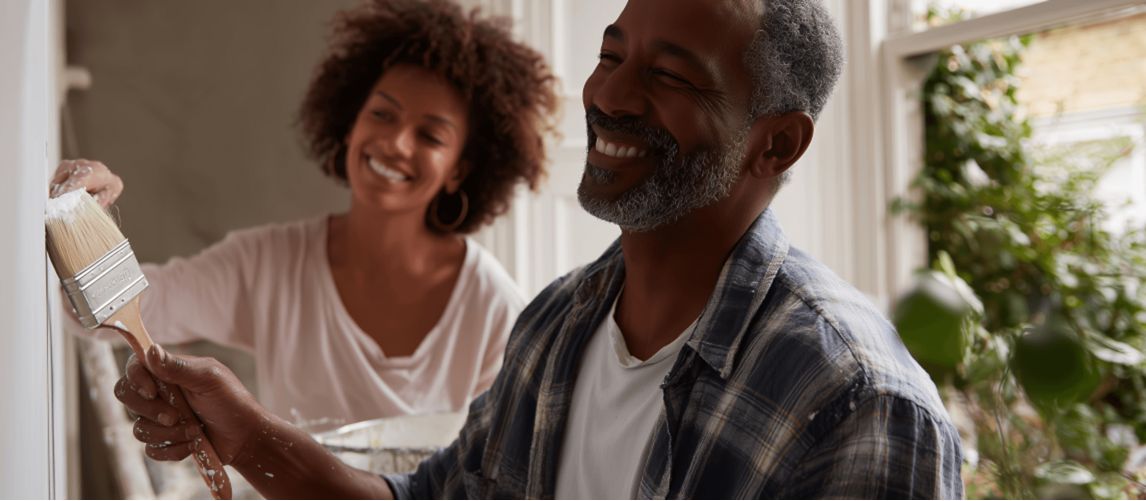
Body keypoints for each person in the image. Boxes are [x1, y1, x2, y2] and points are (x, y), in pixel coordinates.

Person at [115, 0, 965, 498]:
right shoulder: (558, 326)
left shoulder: (858, 403)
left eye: (668, 75)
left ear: (776, 145)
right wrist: (242, 430)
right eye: (610, 53)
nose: (609, 93)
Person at [55, 0, 558, 429]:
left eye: (430, 135)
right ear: (348, 124)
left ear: (460, 170)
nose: (395, 142)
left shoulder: (493, 309)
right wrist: (85, 219)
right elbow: (114, 313)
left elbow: (504, 476)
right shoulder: (269, 265)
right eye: (381, 114)